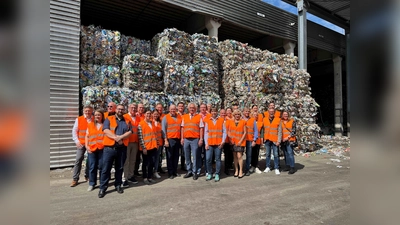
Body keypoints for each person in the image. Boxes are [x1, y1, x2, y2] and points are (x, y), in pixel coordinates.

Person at [98, 104, 132, 198]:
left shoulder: (127, 120)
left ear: (124, 110)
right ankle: (103, 188)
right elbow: (105, 130)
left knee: (119, 168)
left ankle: (118, 185)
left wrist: (121, 137)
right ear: (116, 110)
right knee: (106, 169)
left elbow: (130, 132)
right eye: (119, 109)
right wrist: (115, 138)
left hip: (122, 148)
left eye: (122, 109)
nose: (120, 111)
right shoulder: (109, 119)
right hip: (109, 148)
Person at [70, 105, 93, 187]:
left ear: (92, 111)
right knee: (78, 160)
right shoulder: (79, 119)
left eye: (89, 111)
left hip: (91, 143)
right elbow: (74, 131)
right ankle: (75, 179)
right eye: (86, 111)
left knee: (90, 161)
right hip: (81, 143)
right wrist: (76, 141)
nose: (88, 112)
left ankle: (87, 176)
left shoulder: (94, 119)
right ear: (83, 111)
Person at [181, 103, 204, 180]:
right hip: (186, 139)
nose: (192, 109)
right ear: (188, 108)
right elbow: (182, 128)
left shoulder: (199, 117)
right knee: (187, 156)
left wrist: (201, 139)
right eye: (190, 108)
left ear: (195, 109)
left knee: (195, 156)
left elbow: (201, 128)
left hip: (195, 139)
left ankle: (195, 172)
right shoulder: (184, 117)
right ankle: (189, 170)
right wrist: (182, 138)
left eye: (193, 108)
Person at [204, 107, 226, 182]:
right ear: (211, 112)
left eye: (215, 111)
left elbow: (224, 132)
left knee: (218, 159)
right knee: (208, 159)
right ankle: (210, 173)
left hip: (218, 144)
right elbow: (206, 133)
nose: (213, 113)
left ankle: (217, 174)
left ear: (217, 112)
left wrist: (223, 142)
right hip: (210, 143)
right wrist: (206, 143)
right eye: (212, 111)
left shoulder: (221, 120)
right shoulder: (208, 121)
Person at [85, 109, 104, 191]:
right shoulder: (90, 124)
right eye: (96, 115)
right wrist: (86, 146)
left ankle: (102, 183)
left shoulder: (105, 125)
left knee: (101, 166)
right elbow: (87, 136)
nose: (97, 116)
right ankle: (92, 183)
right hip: (92, 149)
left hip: (102, 149)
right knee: (92, 166)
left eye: (99, 115)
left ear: (102, 116)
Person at [138, 110, 159, 184]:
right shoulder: (141, 124)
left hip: (153, 147)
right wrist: (143, 148)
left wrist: (157, 144)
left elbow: (155, 135)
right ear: (144, 114)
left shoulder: (152, 123)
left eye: (150, 114)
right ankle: (145, 177)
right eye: (147, 113)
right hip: (146, 148)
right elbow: (140, 138)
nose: (149, 115)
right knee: (146, 163)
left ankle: (150, 177)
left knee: (152, 163)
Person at [162, 104, 182, 179]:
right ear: (169, 109)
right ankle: (170, 173)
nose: (173, 111)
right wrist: (165, 140)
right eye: (171, 109)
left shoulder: (179, 116)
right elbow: (163, 130)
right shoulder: (166, 117)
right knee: (169, 156)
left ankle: (175, 171)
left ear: (176, 109)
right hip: (170, 139)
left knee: (176, 156)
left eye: (174, 109)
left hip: (177, 139)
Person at [122, 103, 140, 186]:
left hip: (135, 142)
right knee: (126, 160)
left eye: (135, 108)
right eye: (132, 107)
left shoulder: (138, 118)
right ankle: (124, 178)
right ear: (128, 108)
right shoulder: (125, 116)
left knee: (133, 160)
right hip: (127, 142)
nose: (133, 109)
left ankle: (130, 175)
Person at [262, 108, 282, 175]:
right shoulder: (264, 119)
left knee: (276, 154)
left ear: (274, 112)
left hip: (275, 140)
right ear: (268, 112)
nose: (271, 113)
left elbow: (280, 131)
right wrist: (262, 138)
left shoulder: (278, 120)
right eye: (270, 112)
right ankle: (268, 167)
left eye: (272, 112)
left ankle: (276, 168)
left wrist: (279, 140)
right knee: (267, 154)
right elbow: (263, 129)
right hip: (267, 139)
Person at [228, 110, 247, 178]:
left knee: (239, 156)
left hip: (240, 142)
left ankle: (241, 170)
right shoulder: (231, 122)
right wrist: (230, 139)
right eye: (236, 114)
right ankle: (236, 170)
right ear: (234, 115)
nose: (237, 115)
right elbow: (229, 131)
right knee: (235, 156)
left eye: (238, 114)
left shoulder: (243, 122)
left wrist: (240, 141)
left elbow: (245, 132)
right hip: (233, 142)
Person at [243, 108, 258, 176]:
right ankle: (239, 169)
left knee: (249, 155)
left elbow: (255, 131)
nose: (247, 112)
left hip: (249, 140)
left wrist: (254, 140)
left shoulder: (252, 120)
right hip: (242, 140)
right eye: (246, 111)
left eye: (248, 111)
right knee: (239, 156)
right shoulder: (240, 119)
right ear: (243, 112)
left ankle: (247, 169)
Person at [220, 109, 233, 175]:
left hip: (227, 140)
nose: (223, 114)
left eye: (224, 113)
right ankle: (218, 169)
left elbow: (230, 130)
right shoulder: (218, 120)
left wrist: (230, 140)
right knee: (218, 156)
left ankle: (226, 169)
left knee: (227, 156)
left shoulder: (229, 121)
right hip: (219, 141)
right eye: (222, 113)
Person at [199, 103, 211, 174]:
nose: (203, 109)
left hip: (207, 137)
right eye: (201, 107)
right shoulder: (197, 116)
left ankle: (207, 169)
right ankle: (199, 169)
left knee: (207, 154)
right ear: (199, 108)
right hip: (199, 137)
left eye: (204, 107)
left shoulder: (209, 116)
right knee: (199, 154)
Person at [134, 103, 145, 176]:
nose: (141, 109)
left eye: (142, 108)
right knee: (136, 157)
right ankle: (135, 171)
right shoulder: (135, 116)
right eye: (140, 107)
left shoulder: (145, 116)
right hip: (136, 140)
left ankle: (142, 171)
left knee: (144, 157)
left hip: (144, 140)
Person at [152, 110, 164, 179]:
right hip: (152, 144)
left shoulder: (160, 123)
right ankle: (150, 171)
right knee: (151, 159)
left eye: (157, 114)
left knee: (157, 158)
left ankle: (155, 171)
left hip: (159, 143)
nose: (155, 115)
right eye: (154, 114)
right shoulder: (150, 122)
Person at [177, 102, 186, 171]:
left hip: (184, 136)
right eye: (179, 106)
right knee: (176, 153)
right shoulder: (175, 115)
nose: (181, 107)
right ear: (177, 107)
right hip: (177, 136)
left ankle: (183, 166)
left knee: (183, 152)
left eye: (182, 106)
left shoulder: (185, 115)